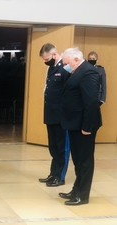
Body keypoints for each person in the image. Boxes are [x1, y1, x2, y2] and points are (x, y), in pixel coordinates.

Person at [59, 47, 102, 205]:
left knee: (84, 161)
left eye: (67, 64)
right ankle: (76, 189)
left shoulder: (88, 72)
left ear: (76, 60)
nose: (66, 67)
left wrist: (87, 126)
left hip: (84, 125)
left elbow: (91, 102)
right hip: (74, 123)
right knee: (77, 159)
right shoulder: (77, 71)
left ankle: (82, 195)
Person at [38, 43, 70, 187]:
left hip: (61, 116)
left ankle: (60, 176)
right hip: (51, 114)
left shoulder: (65, 68)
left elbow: (68, 93)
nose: (46, 62)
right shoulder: (51, 69)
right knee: (53, 146)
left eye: (47, 59)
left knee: (61, 147)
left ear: (54, 54)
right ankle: (53, 174)